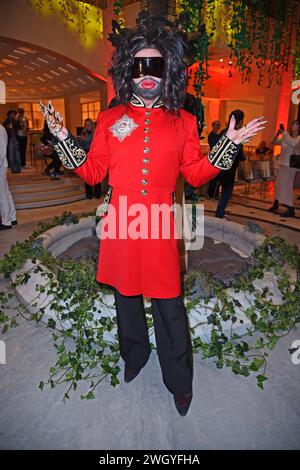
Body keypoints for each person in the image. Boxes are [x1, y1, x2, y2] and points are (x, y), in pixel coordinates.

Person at [40, 12, 264, 416]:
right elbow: (92, 172)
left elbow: (195, 173)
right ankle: (135, 356)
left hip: (159, 224)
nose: (147, 74)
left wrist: (227, 145)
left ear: (167, 71)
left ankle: (179, 380)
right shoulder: (111, 119)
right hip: (122, 222)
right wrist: (61, 138)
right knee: (126, 298)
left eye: (155, 65)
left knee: (169, 303)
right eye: (140, 65)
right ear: (130, 70)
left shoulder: (184, 122)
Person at [215, 110, 248, 219]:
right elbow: (240, 155)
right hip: (229, 170)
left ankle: (219, 213)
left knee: (224, 192)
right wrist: (244, 156)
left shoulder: (223, 132)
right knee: (226, 193)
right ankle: (219, 214)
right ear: (239, 122)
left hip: (220, 168)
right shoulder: (236, 135)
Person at [268, 120, 300, 217]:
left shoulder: (298, 138)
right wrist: (278, 134)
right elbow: (273, 142)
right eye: (292, 124)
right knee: (278, 185)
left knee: (287, 187)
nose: (293, 125)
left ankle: (290, 209)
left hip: (290, 166)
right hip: (282, 164)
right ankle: (276, 204)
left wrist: (284, 133)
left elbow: (293, 144)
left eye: (296, 124)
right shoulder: (286, 137)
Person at [79, 118, 102, 199]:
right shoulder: (83, 133)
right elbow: (81, 145)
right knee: (87, 175)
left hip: (94, 154)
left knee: (96, 174)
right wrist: (81, 139)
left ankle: (97, 193)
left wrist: (84, 138)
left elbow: (94, 142)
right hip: (86, 154)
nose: (88, 126)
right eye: (86, 125)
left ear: (92, 125)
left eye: (89, 124)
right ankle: (89, 194)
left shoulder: (96, 133)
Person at [0, 123, 17, 230]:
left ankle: (6, 221)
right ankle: (12, 217)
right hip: (2, 165)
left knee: (2, 194)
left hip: (0, 166)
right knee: (5, 192)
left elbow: (1, 152)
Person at [207, 120, 221, 199]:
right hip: (214, 158)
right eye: (216, 125)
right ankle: (211, 194)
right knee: (213, 177)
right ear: (213, 126)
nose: (218, 126)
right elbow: (214, 146)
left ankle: (216, 194)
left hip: (218, 158)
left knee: (218, 177)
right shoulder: (211, 135)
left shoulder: (219, 135)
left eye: (219, 125)